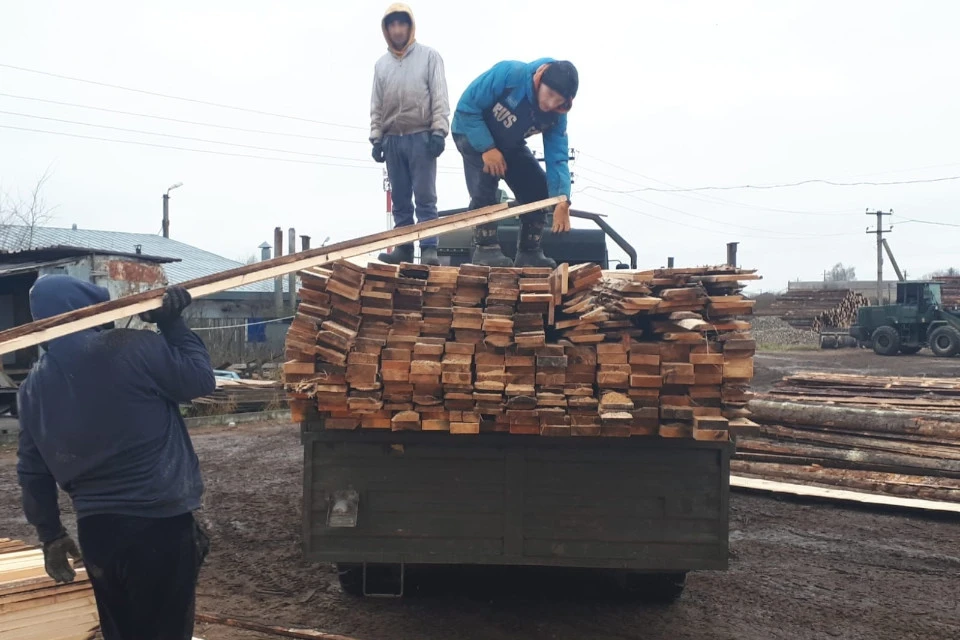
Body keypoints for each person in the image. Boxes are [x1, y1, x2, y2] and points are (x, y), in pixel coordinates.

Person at [16, 275, 216, 640]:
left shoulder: (32, 388)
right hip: (159, 525)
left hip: (98, 533)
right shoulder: (131, 347)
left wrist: (52, 536)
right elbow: (200, 380)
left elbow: (32, 472)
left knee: (121, 633)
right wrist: (173, 324)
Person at [451, 58, 579, 268]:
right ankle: (486, 249)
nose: (549, 104)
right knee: (486, 180)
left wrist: (562, 200)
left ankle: (529, 251)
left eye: (558, 100)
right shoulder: (509, 74)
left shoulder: (556, 116)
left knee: (538, 188)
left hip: (509, 144)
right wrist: (487, 148)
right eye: (549, 94)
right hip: (471, 132)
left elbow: (557, 157)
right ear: (539, 79)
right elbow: (467, 107)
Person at [370, 3, 450, 266]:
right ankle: (403, 246)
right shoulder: (381, 66)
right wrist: (377, 137)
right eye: (391, 25)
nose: (397, 29)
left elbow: (439, 95)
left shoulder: (429, 57)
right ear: (387, 29)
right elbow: (377, 104)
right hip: (393, 138)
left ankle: (428, 248)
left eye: (401, 23)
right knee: (400, 198)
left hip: (421, 136)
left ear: (410, 26)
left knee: (425, 196)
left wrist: (439, 131)